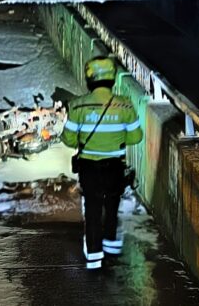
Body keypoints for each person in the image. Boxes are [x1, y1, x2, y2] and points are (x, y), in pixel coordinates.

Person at [61, 56, 143, 270]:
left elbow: (68, 139)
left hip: (89, 168)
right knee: (112, 206)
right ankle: (112, 251)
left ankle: (94, 259)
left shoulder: (78, 106)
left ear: (90, 79)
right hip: (115, 166)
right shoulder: (124, 105)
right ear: (112, 79)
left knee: (93, 210)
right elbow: (136, 137)